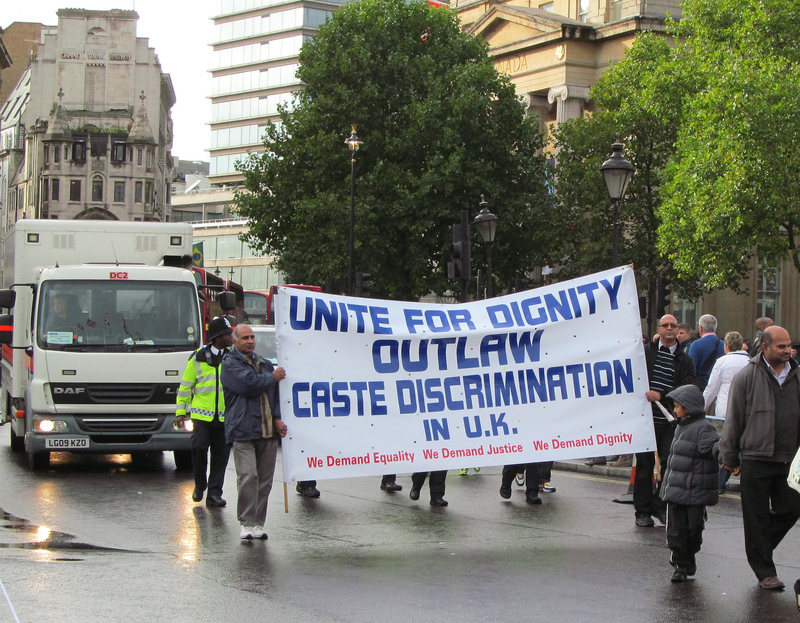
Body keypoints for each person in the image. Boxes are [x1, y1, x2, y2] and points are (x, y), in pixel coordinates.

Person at [720, 325, 800, 590]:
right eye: (782, 346)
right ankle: (765, 571)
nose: (788, 350)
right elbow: (734, 418)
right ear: (765, 347)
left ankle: (760, 546)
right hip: (756, 456)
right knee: (755, 516)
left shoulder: (797, 376)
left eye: (789, 345)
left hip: (789, 459)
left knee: (791, 508)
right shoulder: (747, 376)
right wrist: (729, 456)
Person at [222, 324, 287, 540]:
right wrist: (272, 377)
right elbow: (247, 385)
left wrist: (277, 418)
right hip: (243, 430)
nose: (250, 341)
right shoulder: (230, 364)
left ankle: (259, 524)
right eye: (244, 338)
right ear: (234, 341)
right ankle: (246, 523)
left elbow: (274, 395)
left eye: (252, 337)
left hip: (267, 431)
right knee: (249, 476)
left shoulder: (265, 364)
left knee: (265, 480)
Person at [636, 314, 698, 527]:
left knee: (670, 466)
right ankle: (642, 511)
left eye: (673, 325)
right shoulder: (646, 354)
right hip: (646, 421)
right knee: (644, 467)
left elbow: (688, 387)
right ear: (659, 329)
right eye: (665, 325)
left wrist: (662, 394)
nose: (670, 328)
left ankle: (660, 505)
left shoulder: (684, 359)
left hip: (670, 422)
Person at [659, 384, 720, 582]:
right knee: (676, 530)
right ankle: (680, 565)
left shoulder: (703, 428)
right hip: (676, 490)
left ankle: (689, 555)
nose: (675, 410)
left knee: (694, 529)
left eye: (677, 406)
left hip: (695, 491)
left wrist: (726, 457)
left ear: (689, 407)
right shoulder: (680, 426)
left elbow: (714, 447)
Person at [176, 316, 234, 507]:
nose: (230, 337)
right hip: (201, 416)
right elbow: (185, 387)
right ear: (217, 337)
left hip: (225, 416)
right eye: (227, 334)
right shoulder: (198, 358)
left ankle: (215, 493)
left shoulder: (232, 357)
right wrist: (180, 413)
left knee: (221, 456)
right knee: (199, 449)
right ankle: (200, 484)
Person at [702, 331, 749, 493]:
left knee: (725, 448)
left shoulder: (722, 362)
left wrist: (700, 408)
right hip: (746, 412)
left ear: (726, 346)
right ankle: (746, 483)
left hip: (724, 413)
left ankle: (720, 483)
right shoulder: (751, 362)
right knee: (743, 447)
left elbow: (711, 389)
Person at [688, 314, 725, 390]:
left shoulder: (696, 345)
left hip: (702, 387)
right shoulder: (724, 345)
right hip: (720, 388)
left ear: (700, 328)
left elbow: (690, 368)